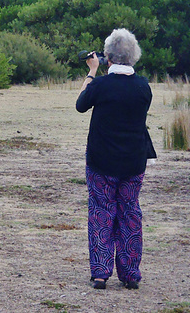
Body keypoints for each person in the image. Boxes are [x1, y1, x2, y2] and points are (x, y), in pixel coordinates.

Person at [76, 28, 156, 290]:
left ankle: (101, 273)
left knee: (101, 211)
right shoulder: (143, 87)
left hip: (102, 160)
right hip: (134, 161)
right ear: (133, 56)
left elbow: (81, 103)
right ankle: (130, 273)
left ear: (108, 56)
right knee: (130, 211)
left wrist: (92, 70)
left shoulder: (101, 84)